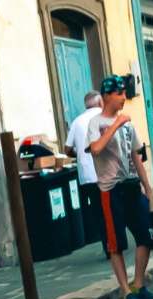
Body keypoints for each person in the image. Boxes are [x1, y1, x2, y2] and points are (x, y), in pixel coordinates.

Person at [86, 75, 153, 299]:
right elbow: (96, 149)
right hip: (110, 190)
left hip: (132, 186)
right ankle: (125, 291)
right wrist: (116, 125)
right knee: (116, 244)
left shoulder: (128, 124)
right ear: (107, 96)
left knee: (147, 235)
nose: (123, 98)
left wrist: (148, 188)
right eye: (119, 93)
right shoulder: (96, 123)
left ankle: (138, 284)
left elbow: (136, 156)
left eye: (124, 93)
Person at [66, 88, 104, 227]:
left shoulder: (76, 122)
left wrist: (79, 154)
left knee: (96, 213)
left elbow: (67, 149)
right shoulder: (105, 117)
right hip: (107, 174)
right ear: (100, 102)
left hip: (87, 176)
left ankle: (102, 238)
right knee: (111, 212)